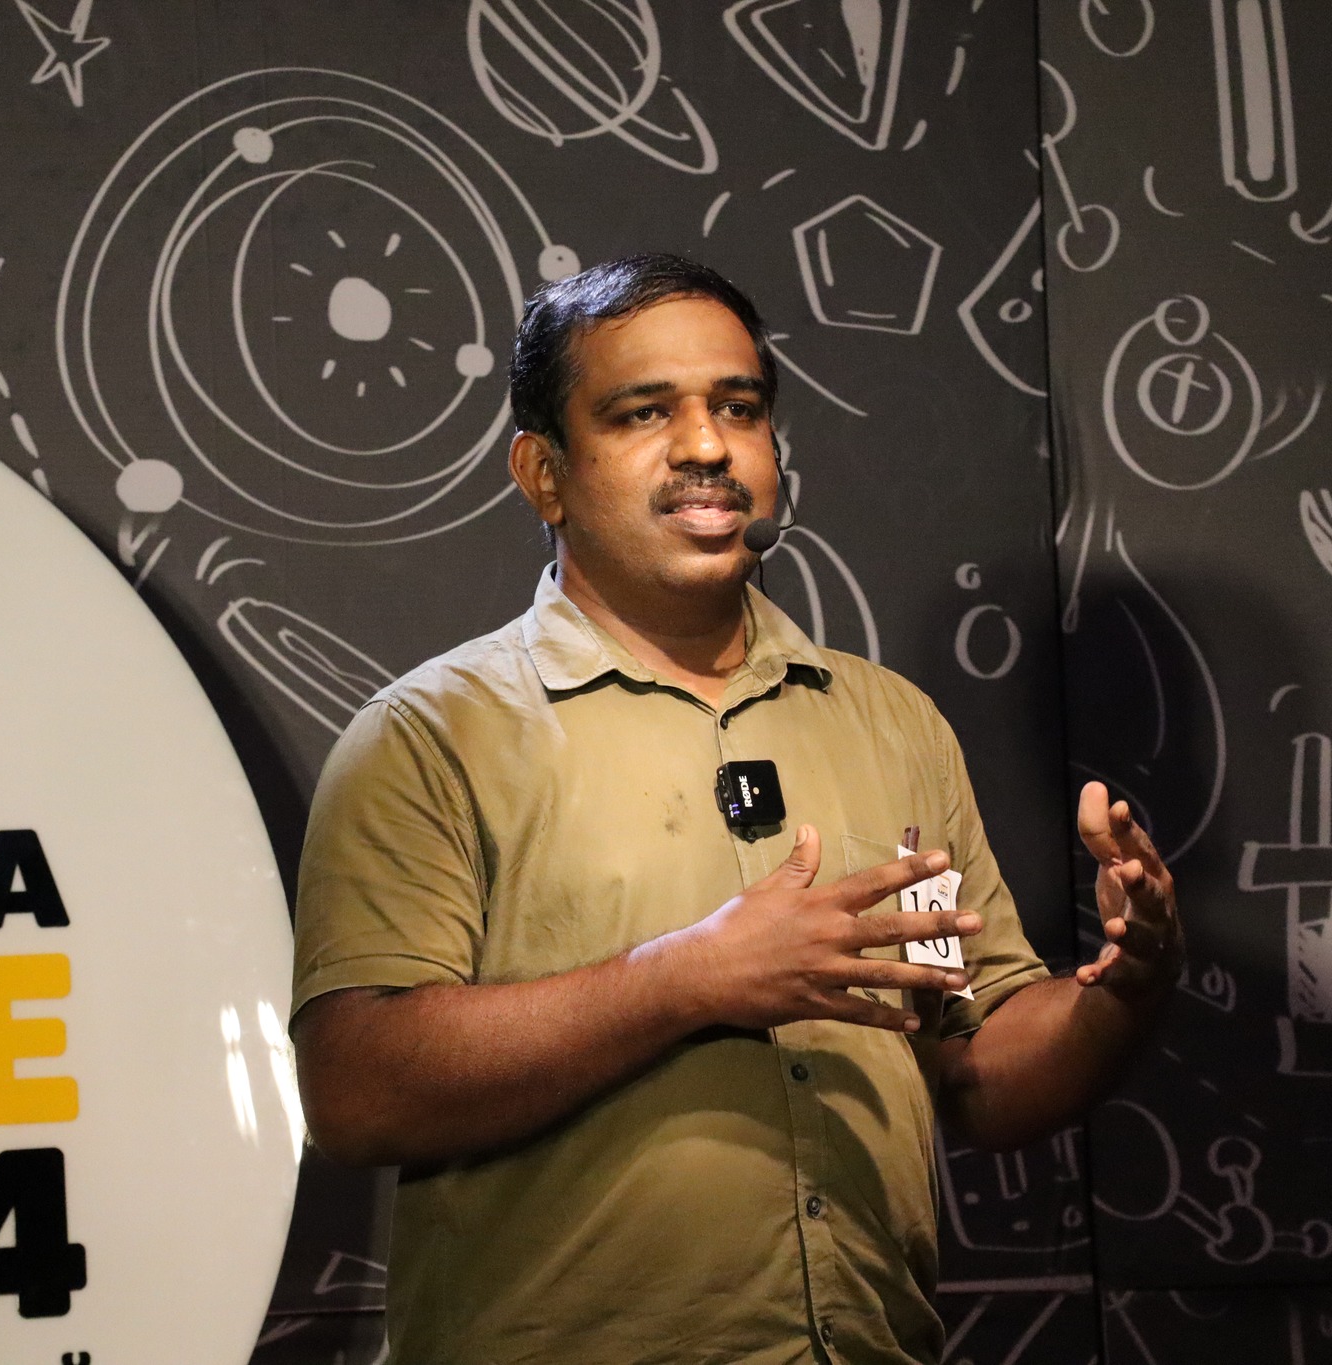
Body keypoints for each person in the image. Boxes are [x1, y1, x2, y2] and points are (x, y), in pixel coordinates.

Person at [290, 254, 1181, 1365]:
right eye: (643, 412)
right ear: (542, 472)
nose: (706, 446)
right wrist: (687, 977)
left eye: (739, 408)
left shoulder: (894, 724)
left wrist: (1126, 986)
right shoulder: (430, 734)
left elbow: (976, 1064)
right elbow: (356, 1092)